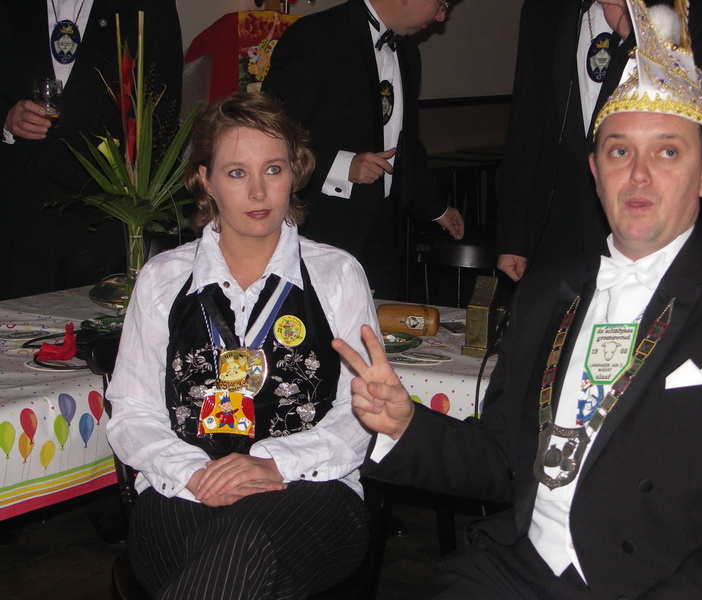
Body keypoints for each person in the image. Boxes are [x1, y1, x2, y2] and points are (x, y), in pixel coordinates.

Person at [333, 2, 702, 597]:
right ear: (594, 169)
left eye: (667, 152)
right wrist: (406, 426)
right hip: (518, 573)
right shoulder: (548, 293)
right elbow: (505, 461)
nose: (638, 175)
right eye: (619, 151)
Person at [105, 91, 380, 599]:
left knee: (239, 549)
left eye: (273, 169)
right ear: (205, 180)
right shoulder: (163, 278)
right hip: (180, 491)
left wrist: (277, 462)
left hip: (310, 490)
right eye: (236, 173)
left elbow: (363, 411)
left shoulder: (337, 274)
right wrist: (195, 473)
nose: (258, 191)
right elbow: (131, 411)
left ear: (294, 173)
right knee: (231, 564)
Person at [495, 0, 702, 282]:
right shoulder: (545, 8)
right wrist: (513, 235)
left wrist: (636, 35)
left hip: (650, 238)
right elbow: (526, 122)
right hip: (552, 236)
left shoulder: (697, 10)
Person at [263, 0, 464, 299]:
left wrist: (436, 208)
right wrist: (343, 166)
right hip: (322, 230)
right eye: (441, 3)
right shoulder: (316, 35)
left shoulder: (407, 51)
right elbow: (273, 132)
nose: (441, 16)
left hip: (385, 234)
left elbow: (405, 143)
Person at [0, 0, 183, 300]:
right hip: (21, 214)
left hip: (106, 218)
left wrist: (138, 207)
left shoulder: (149, 5)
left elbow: (162, 109)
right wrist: (6, 119)